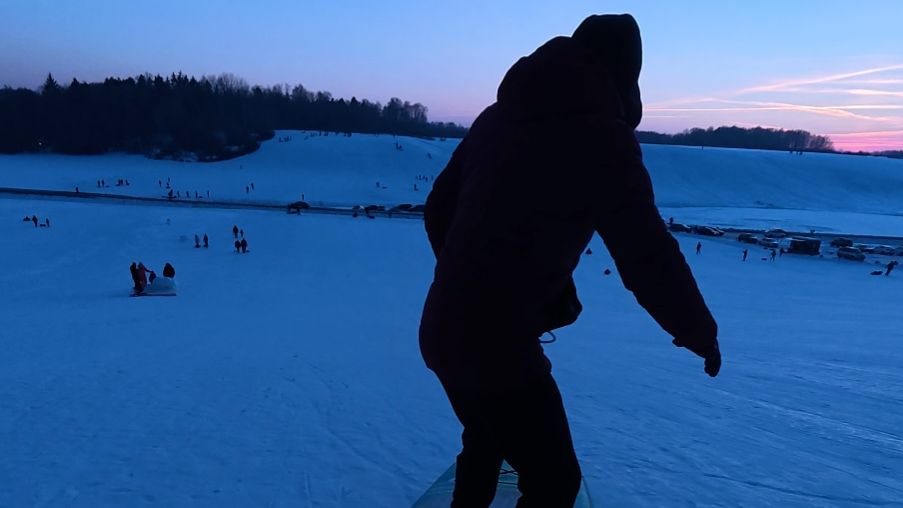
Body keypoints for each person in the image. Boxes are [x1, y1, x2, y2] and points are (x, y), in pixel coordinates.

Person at [419, 14, 720, 507]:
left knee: (486, 439)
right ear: (626, 73)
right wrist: (698, 331)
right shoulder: (603, 139)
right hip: (499, 345)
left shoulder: (495, 119)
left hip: (441, 327)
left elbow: (438, 210)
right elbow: (646, 253)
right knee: (555, 482)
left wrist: (469, 280)